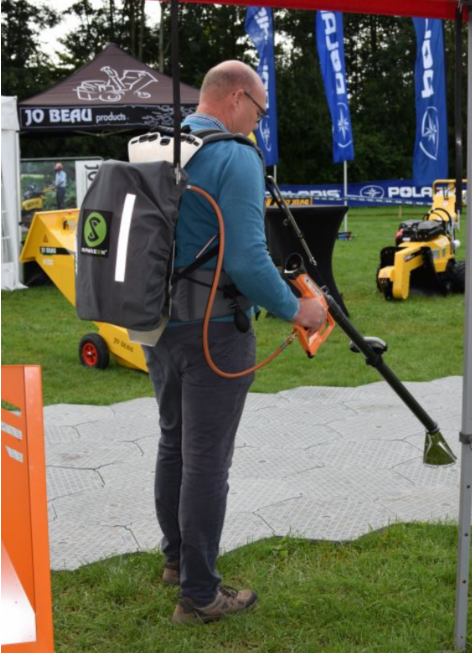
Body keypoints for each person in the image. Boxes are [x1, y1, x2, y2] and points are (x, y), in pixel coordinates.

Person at [143, 60, 327, 625]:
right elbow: (248, 259)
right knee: (206, 459)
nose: (259, 123)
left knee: (173, 442)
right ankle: (199, 595)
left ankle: (177, 561)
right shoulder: (236, 156)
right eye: (260, 112)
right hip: (216, 331)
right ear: (237, 98)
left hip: (155, 324)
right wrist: (299, 309)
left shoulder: (161, 145)